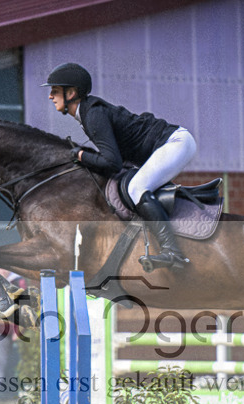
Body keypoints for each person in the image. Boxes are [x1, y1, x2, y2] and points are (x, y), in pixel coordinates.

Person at [43, 62, 195, 268]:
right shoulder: (89, 112)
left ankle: (173, 252)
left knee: (136, 188)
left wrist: (81, 156)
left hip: (175, 143)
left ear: (70, 93)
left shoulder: (93, 114)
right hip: (168, 144)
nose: (51, 96)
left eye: (55, 91)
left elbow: (112, 163)